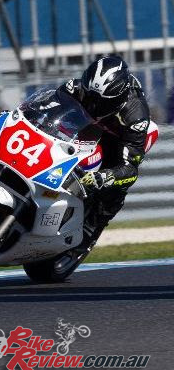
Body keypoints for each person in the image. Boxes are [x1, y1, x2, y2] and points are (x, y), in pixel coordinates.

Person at [57, 55, 150, 254]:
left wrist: (106, 176)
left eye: (98, 101)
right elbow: (46, 108)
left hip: (116, 138)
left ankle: (92, 226)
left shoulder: (136, 117)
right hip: (86, 128)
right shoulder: (76, 88)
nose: (92, 104)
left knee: (115, 185)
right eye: (89, 96)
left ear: (116, 99)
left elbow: (130, 169)